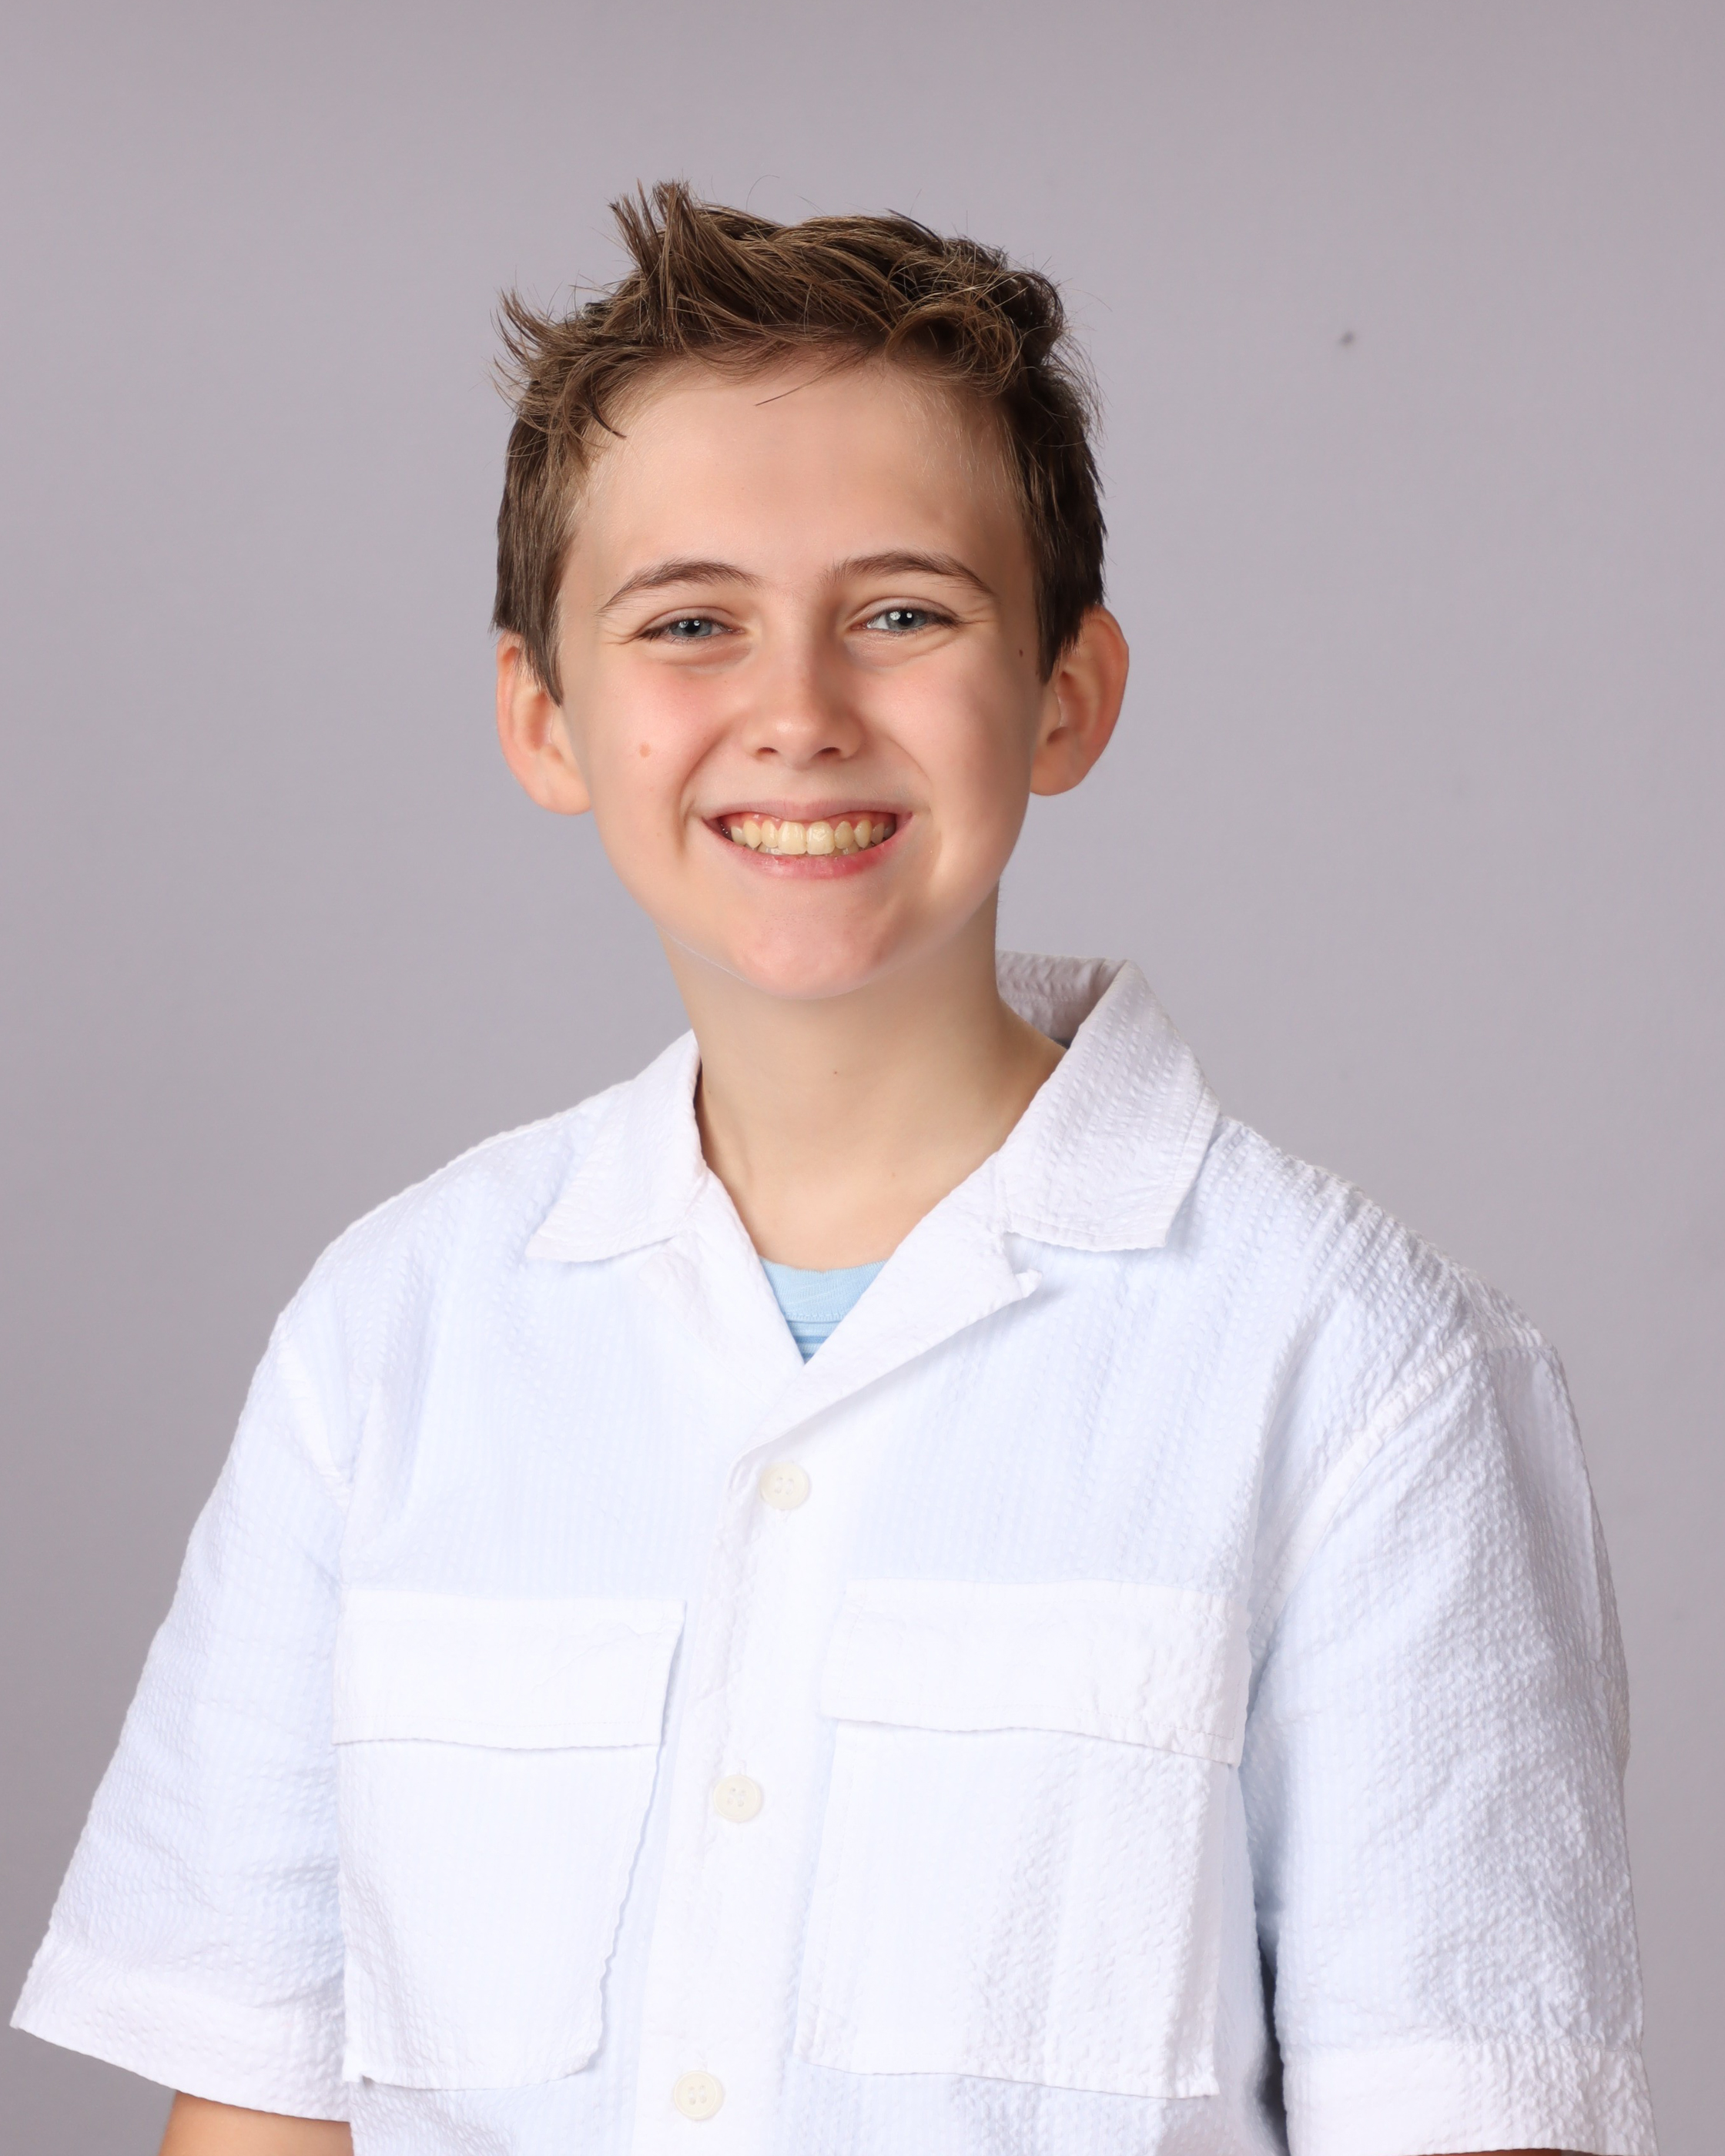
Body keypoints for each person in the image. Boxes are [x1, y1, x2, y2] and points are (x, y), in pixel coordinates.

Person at [12, 183, 1654, 2156]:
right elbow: (264, 2113)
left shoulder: (1364, 1373)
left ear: (1065, 694)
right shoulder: (385, 1344)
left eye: (902, 613)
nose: (795, 714)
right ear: (545, 718)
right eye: (688, 623)